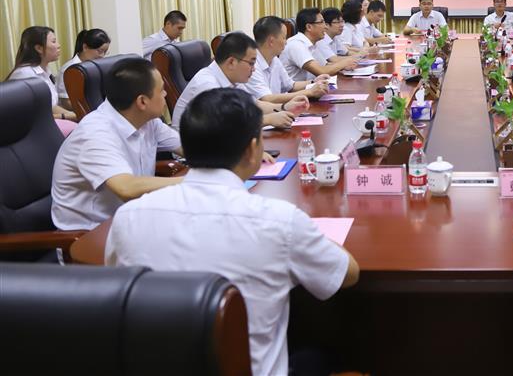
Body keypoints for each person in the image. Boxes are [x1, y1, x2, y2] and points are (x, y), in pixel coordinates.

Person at [105, 88, 359, 376]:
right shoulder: (279, 220)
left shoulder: (128, 217)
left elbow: (119, 288)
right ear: (252, 149)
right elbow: (347, 274)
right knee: (330, 353)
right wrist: (308, 230)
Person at [51, 57, 184, 230]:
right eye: (162, 90)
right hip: (90, 234)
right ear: (142, 101)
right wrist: (190, 182)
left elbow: (188, 148)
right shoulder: (95, 134)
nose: (165, 94)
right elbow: (126, 187)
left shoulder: (147, 121)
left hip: (131, 218)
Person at [171, 31, 307, 131]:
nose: (254, 69)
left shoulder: (232, 78)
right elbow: (225, 125)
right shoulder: (207, 85)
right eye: (251, 63)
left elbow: (254, 104)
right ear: (231, 62)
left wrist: (284, 107)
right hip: (194, 154)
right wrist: (269, 119)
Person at [247, 16, 329, 103]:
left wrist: (314, 82)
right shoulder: (251, 65)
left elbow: (291, 86)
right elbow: (267, 99)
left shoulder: (274, 59)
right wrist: (309, 92)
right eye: (284, 38)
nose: (286, 42)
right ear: (271, 41)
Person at [6, 26, 75, 120]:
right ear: (39, 48)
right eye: (53, 42)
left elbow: (51, 106)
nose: (58, 45)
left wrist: (74, 115)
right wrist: (67, 116)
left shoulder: (45, 70)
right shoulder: (25, 74)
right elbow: (29, 116)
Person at [284, 7, 358, 80]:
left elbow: (325, 65)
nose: (325, 26)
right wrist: (344, 63)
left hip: (314, 85)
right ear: (309, 27)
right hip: (302, 87)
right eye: (321, 22)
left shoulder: (313, 43)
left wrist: (343, 66)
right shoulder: (296, 44)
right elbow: (322, 71)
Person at [57, 28, 112, 111]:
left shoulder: (95, 66)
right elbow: (66, 102)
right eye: (100, 51)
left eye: (105, 52)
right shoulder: (70, 69)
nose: (102, 56)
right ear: (85, 47)